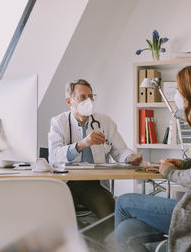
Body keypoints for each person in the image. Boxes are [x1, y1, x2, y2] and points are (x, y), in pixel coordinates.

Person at [114, 64, 191, 252]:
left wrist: (169, 172)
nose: (178, 95)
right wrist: (182, 163)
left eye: (180, 90)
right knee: (126, 229)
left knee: (123, 202)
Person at [48, 79, 142, 239]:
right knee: (57, 217)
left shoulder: (104, 121)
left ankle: (86, 240)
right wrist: (83, 143)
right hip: (67, 183)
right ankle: (83, 240)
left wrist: (131, 157)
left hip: (93, 185)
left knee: (114, 216)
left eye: (91, 96)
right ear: (69, 101)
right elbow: (54, 156)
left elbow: (120, 150)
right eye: (82, 97)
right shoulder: (59, 122)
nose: (88, 101)